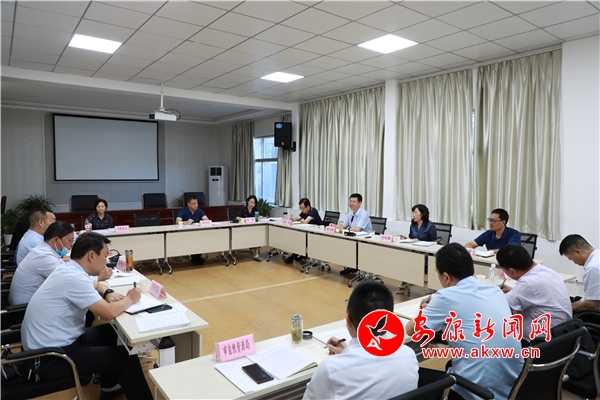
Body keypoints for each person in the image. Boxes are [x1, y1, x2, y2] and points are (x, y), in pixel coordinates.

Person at [21, 232, 153, 400]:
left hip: (49, 347)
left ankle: (110, 388)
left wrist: (108, 292)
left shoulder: (69, 269)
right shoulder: (74, 277)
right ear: (91, 255)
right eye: (105, 255)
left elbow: (95, 284)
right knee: (126, 358)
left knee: (112, 333)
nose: (106, 261)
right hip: (51, 358)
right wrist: (130, 298)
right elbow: (108, 313)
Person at [406, 243, 523, 400]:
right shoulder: (494, 290)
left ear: (446, 277)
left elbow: (411, 330)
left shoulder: (445, 297)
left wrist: (428, 310)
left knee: (411, 374)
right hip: (513, 386)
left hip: (477, 392)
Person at [302, 281, 418, 399]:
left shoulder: (331, 369)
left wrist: (347, 356)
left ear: (348, 320)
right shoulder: (408, 355)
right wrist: (347, 353)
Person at [9, 221, 112, 306]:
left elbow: (64, 267)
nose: (72, 244)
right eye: (70, 240)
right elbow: (72, 279)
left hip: (33, 303)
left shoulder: (43, 250)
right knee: (84, 305)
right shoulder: (44, 257)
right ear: (57, 240)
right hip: (23, 309)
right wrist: (99, 277)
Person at [497, 244, 572, 344]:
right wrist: (513, 291)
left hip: (540, 343)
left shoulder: (528, 283)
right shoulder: (548, 272)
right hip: (563, 337)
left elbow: (500, 305)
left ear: (512, 271)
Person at [396, 204, 438, 295]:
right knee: (405, 259)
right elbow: (412, 239)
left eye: (416, 213)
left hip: (427, 254)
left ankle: (430, 287)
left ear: (422, 214)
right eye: (413, 213)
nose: (413, 215)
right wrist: (405, 238)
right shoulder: (413, 225)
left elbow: (434, 242)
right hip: (415, 252)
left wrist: (421, 241)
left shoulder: (430, 226)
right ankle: (406, 281)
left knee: (416, 261)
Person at [559, 234, 600, 312]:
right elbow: (590, 297)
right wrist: (571, 305)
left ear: (577, 252)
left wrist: (568, 310)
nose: (574, 262)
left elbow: (592, 303)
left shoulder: (593, 268)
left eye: (571, 259)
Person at [284, 198, 323, 264]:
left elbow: (305, 222)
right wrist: (293, 219)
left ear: (308, 207)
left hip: (318, 234)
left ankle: (293, 257)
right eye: (300, 208)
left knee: (301, 240)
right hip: (310, 232)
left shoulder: (313, 211)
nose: (302, 210)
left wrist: (301, 221)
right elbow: (298, 218)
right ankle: (301, 254)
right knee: (299, 238)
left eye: (303, 208)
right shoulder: (304, 212)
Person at [176, 194, 209, 265]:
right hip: (185, 233)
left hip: (197, 233)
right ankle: (195, 258)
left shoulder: (199, 211)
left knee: (200, 239)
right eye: (194, 203)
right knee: (194, 239)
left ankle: (197, 257)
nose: (196, 205)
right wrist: (186, 222)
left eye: (197, 203)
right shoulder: (183, 211)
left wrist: (202, 222)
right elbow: (177, 221)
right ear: (188, 204)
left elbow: (206, 219)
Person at [236, 195, 263, 261]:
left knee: (256, 235)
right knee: (251, 236)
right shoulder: (243, 209)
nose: (252, 204)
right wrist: (244, 219)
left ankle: (256, 254)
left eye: (254, 203)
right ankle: (256, 253)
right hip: (244, 229)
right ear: (247, 201)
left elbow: (261, 216)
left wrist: (258, 217)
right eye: (251, 202)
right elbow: (237, 217)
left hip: (254, 228)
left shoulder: (255, 210)